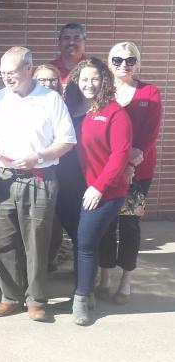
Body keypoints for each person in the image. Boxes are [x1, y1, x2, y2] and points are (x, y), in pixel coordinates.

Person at [0, 46, 76, 321]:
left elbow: (67, 141)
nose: (6, 78)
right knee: (0, 241)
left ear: (29, 69)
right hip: (2, 179)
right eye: (2, 73)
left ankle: (36, 300)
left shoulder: (50, 99)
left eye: (11, 73)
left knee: (36, 242)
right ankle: (10, 297)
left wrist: (40, 156)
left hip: (39, 179)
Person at [66, 58, 131, 325]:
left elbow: (120, 154)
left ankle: (81, 298)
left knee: (85, 242)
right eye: (84, 79)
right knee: (82, 242)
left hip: (104, 191)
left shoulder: (115, 112)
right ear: (76, 82)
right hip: (73, 189)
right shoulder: (72, 110)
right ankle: (87, 288)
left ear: (104, 80)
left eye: (94, 78)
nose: (89, 84)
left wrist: (98, 187)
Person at [97, 42, 162, 305]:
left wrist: (132, 159)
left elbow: (151, 131)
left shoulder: (149, 92)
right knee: (105, 223)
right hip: (106, 169)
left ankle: (126, 280)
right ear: (109, 61)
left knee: (129, 224)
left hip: (138, 170)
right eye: (118, 59)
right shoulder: (102, 91)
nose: (124, 64)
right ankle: (105, 276)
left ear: (137, 62)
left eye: (130, 59)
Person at [33, 63, 85, 273]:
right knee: (47, 220)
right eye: (42, 79)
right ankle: (45, 262)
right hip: (40, 172)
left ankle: (81, 265)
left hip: (68, 173)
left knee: (69, 218)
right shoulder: (28, 106)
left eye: (52, 79)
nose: (47, 83)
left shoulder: (68, 107)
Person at [50, 23, 88, 88]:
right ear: (59, 42)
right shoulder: (50, 69)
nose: (71, 42)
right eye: (67, 38)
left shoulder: (94, 68)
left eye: (76, 38)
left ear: (84, 42)